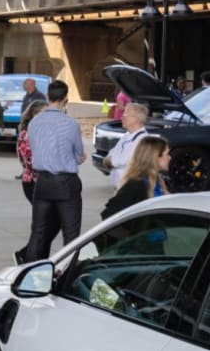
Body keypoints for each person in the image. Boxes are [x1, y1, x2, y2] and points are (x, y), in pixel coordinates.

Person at [24, 80, 86, 262]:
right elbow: (78, 154)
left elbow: (35, 149)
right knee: (71, 235)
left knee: (38, 233)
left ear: (47, 96)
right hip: (66, 182)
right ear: (66, 98)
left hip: (43, 181)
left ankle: (28, 275)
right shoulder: (71, 124)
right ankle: (68, 274)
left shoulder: (34, 123)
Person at [13, 100, 49, 264]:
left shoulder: (43, 134)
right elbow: (31, 161)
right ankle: (29, 257)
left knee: (47, 223)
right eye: (41, 113)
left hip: (43, 182)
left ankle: (34, 256)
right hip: (33, 183)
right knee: (43, 225)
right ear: (32, 115)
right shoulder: (27, 134)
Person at [101, 136, 170, 220]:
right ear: (155, 157)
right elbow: (109, 214)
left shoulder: (158, 181)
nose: (169, 158)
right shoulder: (136, 184)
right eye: (167, 154)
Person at [103, 102, 149, 188]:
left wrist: (109, 160)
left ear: (136, 119)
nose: (122, 117)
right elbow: (111, 153)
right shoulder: (127, 135)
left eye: (126, 114)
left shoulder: (142, 139)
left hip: (130, 189)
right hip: (121, 188)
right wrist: (110, 159)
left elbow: (117, 161)